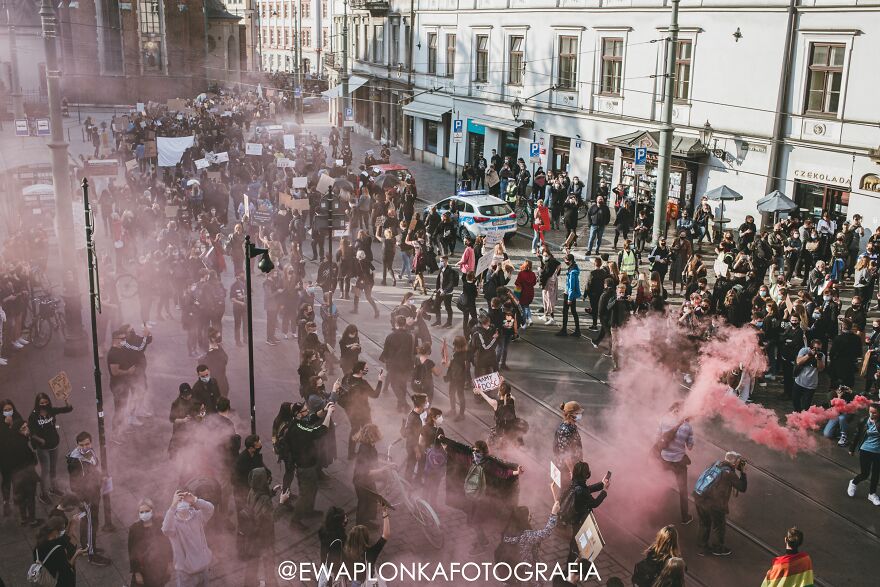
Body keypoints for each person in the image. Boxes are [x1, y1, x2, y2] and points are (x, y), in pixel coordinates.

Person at [285, 401, 338, 527]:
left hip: (308, 465)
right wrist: (329, 415)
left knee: (313, 489)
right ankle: (295, 520)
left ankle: (308, 511)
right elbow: (321, 430)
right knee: (305, 495)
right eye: (304, 410)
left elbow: (311, 418)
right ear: (298, 414)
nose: (307, 411)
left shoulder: (297, 421)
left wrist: (324, 410)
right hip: (305, 467)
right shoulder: (300, 429)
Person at [498, 484, 561, 586]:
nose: (531, 516)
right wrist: (554, 513)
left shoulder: (507, 531)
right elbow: (546, 532)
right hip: (527, 567)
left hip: (514, 565)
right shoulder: (527, 536)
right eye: (529, 515)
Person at [66, 431, 111, 566]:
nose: (85, 446)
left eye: (87, 443)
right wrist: (83, 499)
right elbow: (74, 483)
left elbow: (93, 469)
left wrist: (101, 477)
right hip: (86, 497)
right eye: (82, 444)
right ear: (77, 444)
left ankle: (87, 546)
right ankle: (91, 554)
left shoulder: (90, 452)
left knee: (90, 521)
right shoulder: (76, 461)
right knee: (91, 523)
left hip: (93, 492)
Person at [242, 467, 291, 587]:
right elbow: (273, 517)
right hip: (264, 537)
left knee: (252, 564)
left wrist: (272, 492)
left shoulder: (252, 491)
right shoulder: (264, 499)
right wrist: (281, 502)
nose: (269, 480)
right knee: (269, 565)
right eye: (267, 479)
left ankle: (249, 584)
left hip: (253, 535)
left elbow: (260, 501)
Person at [693, 451, 748, 556]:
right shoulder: (729, 474)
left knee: (704, 523)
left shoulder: (716, 464)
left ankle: (703, 548)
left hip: (699, 496)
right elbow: (742, 487)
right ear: (734, 463)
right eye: (739, 462)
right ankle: (718, 548)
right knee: (719, 526)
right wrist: (743, 473)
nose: (740, 464)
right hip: (714, 503)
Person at [162, 489, 215, 586]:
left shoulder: (197, 516)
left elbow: (210, 509)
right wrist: (172, 506)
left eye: (184, 500)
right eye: (179, 500)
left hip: (204, 568)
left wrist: (195, 500)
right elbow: (165, 529)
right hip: (186, 574)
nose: (182, 502)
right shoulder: (173, 523)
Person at [28, 392, 73, 502]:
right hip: (43, 448)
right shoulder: (33, 416)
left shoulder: (51, 411)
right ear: (37, 404)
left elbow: (68, 409)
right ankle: (43, 494)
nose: (44, 404)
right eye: (41, 402)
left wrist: (66, 400)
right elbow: (31, 433)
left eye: (46, 402)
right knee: (45, 471)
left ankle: (54, 488)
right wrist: (40, 440)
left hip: (54, 445)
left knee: (53, 469)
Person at [657, 402, 695, 524]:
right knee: (683, 491)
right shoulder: (687, 427)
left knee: (658, 482)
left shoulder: (663, 420)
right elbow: (690, 447)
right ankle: (685, 517)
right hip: (678, 462)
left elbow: (658, 438)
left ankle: (655, 506)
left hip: (664, 459)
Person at [353, 423, 396, 527]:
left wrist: (388, 463)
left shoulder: (370, 446)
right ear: (372, 436)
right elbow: (367, 471)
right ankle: (360, 524)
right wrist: (383, 469)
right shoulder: (364, 450)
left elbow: (374, 459)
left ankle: (367, 521)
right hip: (361, 482)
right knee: (364, 503)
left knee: (371, 500)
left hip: (368, 480)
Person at [128, 498, 173, 587]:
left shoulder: (160, 523)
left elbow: (167, 544)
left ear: (152, 511)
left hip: (159, 566)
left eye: (147, 511)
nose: (144, 514)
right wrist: (137, 572)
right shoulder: (134, 529)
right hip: (143, 568)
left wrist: (169, 563)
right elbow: (132, 552)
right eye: (141, 512)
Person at [340, 509, 391, 584]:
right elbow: (386, 535)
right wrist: (385, 513)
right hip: (369, 582)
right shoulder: (370, 552)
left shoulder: (345, 550)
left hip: (356, 582)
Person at [33, 514, 85, 587]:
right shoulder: (58, 550)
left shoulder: (39, 545)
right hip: (59, 582)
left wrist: (72, 524)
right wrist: (76, 554)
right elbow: (67, 567)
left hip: (45, 576)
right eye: (62, 529)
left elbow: (64, 539)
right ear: (55, 531)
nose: (63, 531)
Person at [846, 402, 880, 506]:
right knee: (865, 474)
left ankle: (872, 494)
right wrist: (852, 448)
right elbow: (857, 434)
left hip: (878, 452)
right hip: (865, 450)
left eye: (874, 413)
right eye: (870, 412)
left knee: (876, 475)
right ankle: (853, 482)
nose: (871, 415)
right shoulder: (864, 421)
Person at [553, 402, 584, 488]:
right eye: (577, 413)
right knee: (566, 497)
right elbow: (565, 455)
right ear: (571, 415)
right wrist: (573, 474)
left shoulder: (573, 426)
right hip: (566, 470)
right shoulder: (564, 430)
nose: (580, 415)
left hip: (574, 466)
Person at [793, 339, 826, 412]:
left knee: (806, 406)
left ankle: (803, 420)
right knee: (795, 401)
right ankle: (796, 416)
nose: (817, 350)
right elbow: (798, 362)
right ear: (811, 347)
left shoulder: (821, 355)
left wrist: (819, 359)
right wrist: (809, 355)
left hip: (811, 385)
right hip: (799, 381)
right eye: (816, 348)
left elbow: (821, 369)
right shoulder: (804, 350)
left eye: (819, 349)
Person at [556, 254, 582, 337]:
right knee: (573, 311)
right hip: (570, 294)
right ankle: (577, 330)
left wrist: (569, 298)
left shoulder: (572, 272)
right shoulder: (574, 267)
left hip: (569, 295)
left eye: (566, 260)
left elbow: (571, 286)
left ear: (570, 261)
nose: (565, 262)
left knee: (566, 312)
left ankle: (564, 330)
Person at [433, 255, 459, 328]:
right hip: (440, 291)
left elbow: (451, 282)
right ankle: (438, 321)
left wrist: (445, 291)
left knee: (448, 308)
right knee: (436, 305)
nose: (441, 262)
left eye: (442, 261)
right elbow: (439, 279)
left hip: (447, 293)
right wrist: (437, 288)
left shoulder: (450, 270)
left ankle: (449, 323)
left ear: (446, 261)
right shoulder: (441, 268)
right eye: (440, 261)